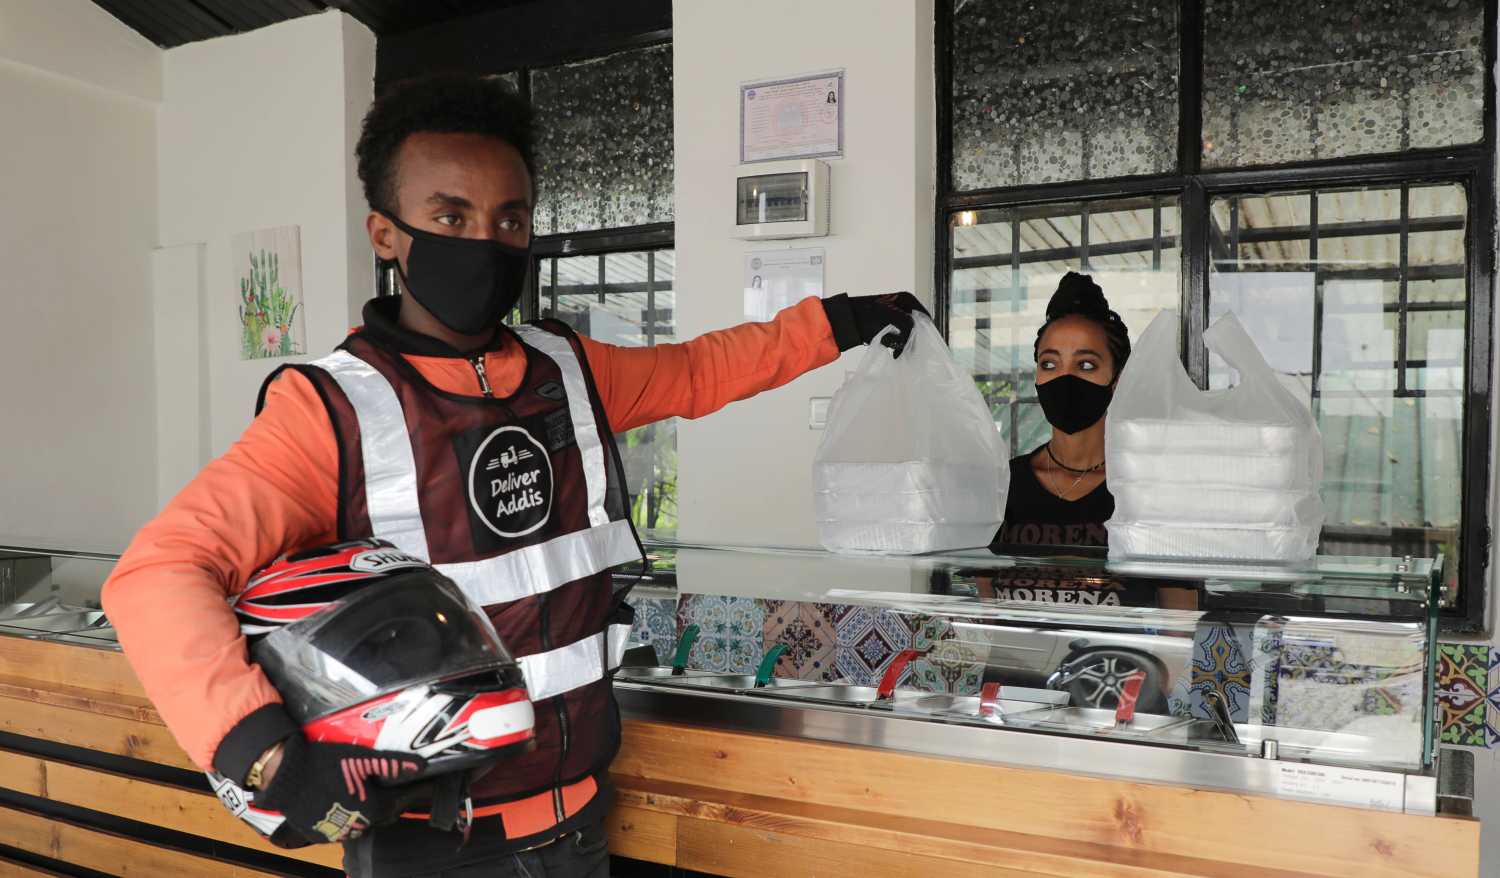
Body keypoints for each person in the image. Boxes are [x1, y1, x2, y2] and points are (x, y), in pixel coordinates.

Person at [99, 73, 926, 878]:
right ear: (385, 233)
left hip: (577, 824)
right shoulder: (334, 410)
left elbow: (702, 369)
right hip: (432, 844)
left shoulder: (568, 370)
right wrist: (263, 751)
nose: (484, 242)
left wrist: (841, 321)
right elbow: (160, 572)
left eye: (510, 219)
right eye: (449, 216)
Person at [993, 272, 1129, 550]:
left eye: (1086, 365)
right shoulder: (1003, 485)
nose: (1065, 378)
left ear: (1117, 380)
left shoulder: (1137, 488)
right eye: (1049, 364)